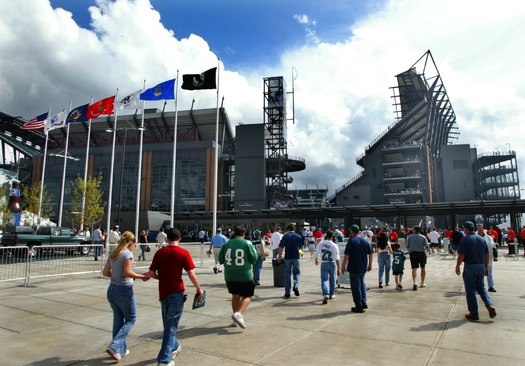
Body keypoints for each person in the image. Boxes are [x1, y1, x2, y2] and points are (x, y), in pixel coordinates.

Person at [144, 228, 203, 366]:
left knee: (168, 324)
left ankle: (174, 346)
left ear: (167, 239)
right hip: (176, 292)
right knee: (170, 326)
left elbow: (151, 273)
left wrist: (160, 277)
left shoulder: (160, 253)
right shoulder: (183, 253)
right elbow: (191, 273)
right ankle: (165, 359)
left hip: (163, 293)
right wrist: (198, 288)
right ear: (180, 239)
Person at [103, 231, 149, 362]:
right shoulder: (127, 254)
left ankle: (119, 350)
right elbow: (127, 272)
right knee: (131, 319)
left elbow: (105, 272)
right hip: (124, 289)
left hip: (112, 289)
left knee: (118, 318)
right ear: (132, 243)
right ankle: (114, 346)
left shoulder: (114, 253)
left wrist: (116, 276)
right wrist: (142, 277)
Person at [455, 221, 496, 321]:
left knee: (470, 290)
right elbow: (487, 255)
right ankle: (489, 305)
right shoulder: (481, 239)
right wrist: (486, 267)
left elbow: (461, 255)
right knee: (481, 287)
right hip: (481, 266)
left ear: (465, 229)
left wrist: (457, 266)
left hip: (470, 267)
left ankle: (474, 313)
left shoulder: (465, 239)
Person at [218, 226, 258, 329]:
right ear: (244, 234)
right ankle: (239, 314)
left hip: (229, 275)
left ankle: (235, 320)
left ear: (234, 234)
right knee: (248, 296)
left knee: (235, 295)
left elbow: (221, 259)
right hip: (244, 275)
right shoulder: (247, 243)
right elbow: (254, 259)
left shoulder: (226, 244)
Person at [341, 225, 373, 313]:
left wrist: (343, 265)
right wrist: (370, 264)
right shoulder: (365, 241)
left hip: (354, 267)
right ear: (359, 231)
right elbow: (370, 253)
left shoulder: (351, 241)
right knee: (362, 284)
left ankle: (358, 305)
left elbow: (347, 255)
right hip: (363, 267)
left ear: (351, 231)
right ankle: (363, 301)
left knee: (355, 287)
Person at [314, 230, 340, 304]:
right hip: (332, 263)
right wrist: (339, 268)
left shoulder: (321, 243)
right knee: (333, 279)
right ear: (332, 237)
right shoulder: (334, 245)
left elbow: (316, 252)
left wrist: (316, 260)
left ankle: (326, 293)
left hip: (324, 263)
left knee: (324, 279)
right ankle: (332, 293)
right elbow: (337, 258)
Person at [277, 224, 303, 298]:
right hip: (296, 257)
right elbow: (300, 247)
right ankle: (296, 285)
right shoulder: (298, 236)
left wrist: (279, 256)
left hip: (288, 257)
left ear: (288, 229)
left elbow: (281, 247)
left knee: (287, 274)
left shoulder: (285, 236)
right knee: (297, 273)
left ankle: (287, 292)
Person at [406, 226, 429, 291]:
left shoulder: (410, 237)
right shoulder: (423, 237)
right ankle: (422, 282)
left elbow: (408, 245)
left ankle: (414, 282)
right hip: (421, 253)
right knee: (423, 267)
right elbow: (427, 246)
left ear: (414, 230)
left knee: (414, 268)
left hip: (413, 253)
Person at [476, 224, 497, 292]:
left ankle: (491, 286)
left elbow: (494, 247)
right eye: (478, 228)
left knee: (489, 273)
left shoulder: (489, 238)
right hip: (478, 259)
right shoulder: (474, 237)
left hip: (488, 258)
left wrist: (495, 256)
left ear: (483, 228)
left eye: (481, 228)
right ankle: (480, 287)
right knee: (479, 275)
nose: (479, 229)